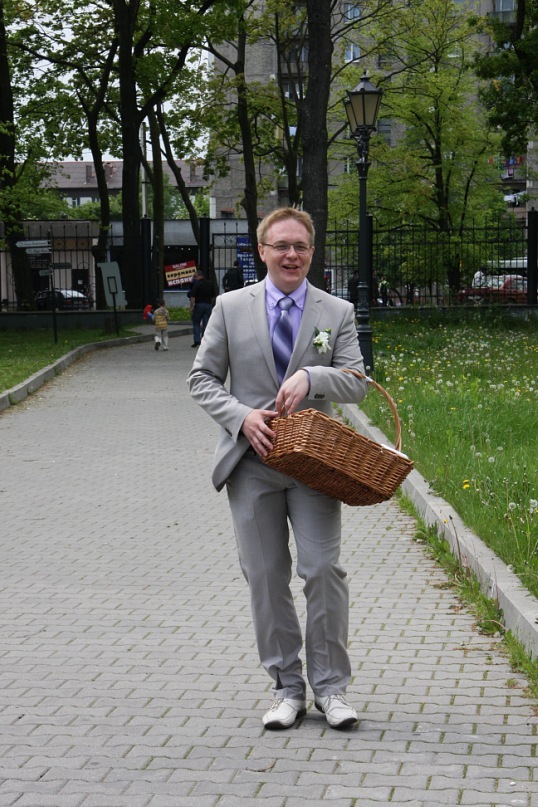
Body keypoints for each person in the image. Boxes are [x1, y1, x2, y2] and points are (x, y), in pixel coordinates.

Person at [188, 207, 368, 731]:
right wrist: (241, 417)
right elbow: (201, 379)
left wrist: (314, 375)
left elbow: (356, 381)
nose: (292, 255)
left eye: (301, 246)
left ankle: (330, 688)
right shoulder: (229, 307)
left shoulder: (337, 310)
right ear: (262, 251)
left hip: (315, 465)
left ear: (312, 252)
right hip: (252, 464)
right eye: (282, 246)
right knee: (265, 577)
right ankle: (287, 688)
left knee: (323, 570)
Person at [189, 270, 215, 348]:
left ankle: (197, 340)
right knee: (206, 323)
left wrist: (191, 307)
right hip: (208, 305)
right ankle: (204, 339)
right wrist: (211, 304)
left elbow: (193, 297)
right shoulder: (210, 284)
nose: (195, 278)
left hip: (199, 304)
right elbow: (213, 296)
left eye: (196, 276)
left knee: (196, 322)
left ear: (200, 275)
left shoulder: (197, 285)